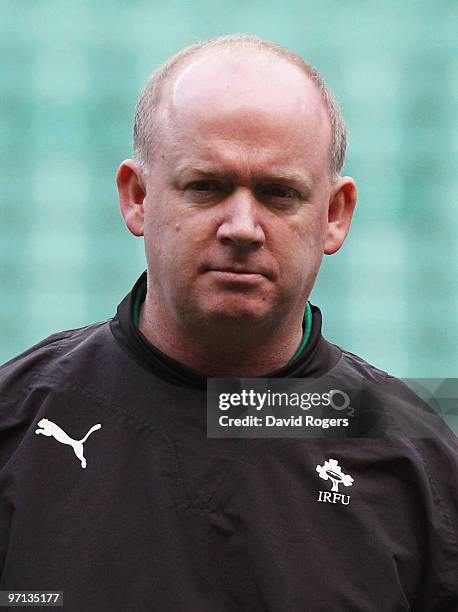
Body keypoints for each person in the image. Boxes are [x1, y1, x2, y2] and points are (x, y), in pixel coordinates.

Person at [0, 34, 456, 611]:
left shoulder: (422, 465)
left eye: (279, 193)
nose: (242, 226)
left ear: (335, 215)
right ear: (138, 197)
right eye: (207, 187)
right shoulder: (17, 423)